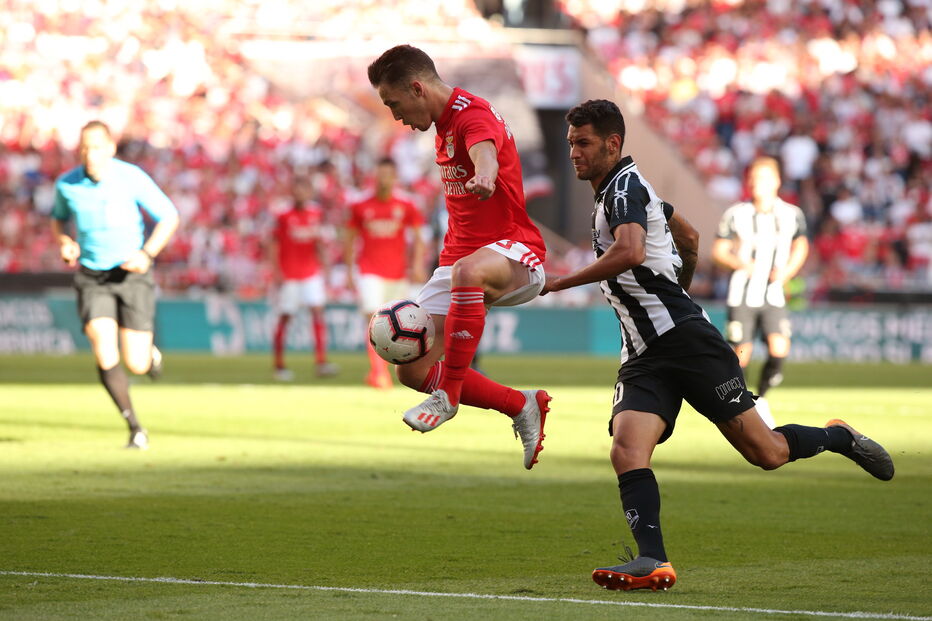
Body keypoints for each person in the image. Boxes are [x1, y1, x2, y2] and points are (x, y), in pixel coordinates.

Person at [541, 100, 893, 591]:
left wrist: (560, 282)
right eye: (570, 143)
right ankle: (653, 560)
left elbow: (632, 250)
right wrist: (679, 277)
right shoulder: (624, 191)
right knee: (627, 448)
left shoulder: (623, 190)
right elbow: (688, 233)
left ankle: (838, 436)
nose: (573, 153)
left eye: (582, 143)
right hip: (645, 353)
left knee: (766, 452)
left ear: (612, 143)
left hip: (687, 343)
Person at [367, 44, 550, 470]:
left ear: (417, 88)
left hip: (514, 251)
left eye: (394, 104)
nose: (396, 116)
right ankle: (522, 405)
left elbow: (483, 148)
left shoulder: (472, 115)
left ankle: (449, 394)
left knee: (468, 270)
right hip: (459, 261)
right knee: (410, 369)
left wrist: (485, 174)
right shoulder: (443, 123)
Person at [51, 120, 179, 450]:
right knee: (101, 343)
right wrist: (65, 242)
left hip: (131, 273)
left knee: (135, 362)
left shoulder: (131, 177)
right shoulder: (68, 184)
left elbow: (169, 215)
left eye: (96, 147)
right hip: (93, 276)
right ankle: (135, 427)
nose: (90, 154)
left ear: (110, 148)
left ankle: (149, 357)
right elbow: (58, 218)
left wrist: (147, 254)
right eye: (84, 148)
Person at [712, 156, 809, 425]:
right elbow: (718, 251)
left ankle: (762, 398)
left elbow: (801, 246)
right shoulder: (736, 214)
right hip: (742, 293)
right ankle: (742, 406)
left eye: (763, 177)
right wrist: (740, 263)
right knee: (740, 354)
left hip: (773, 294)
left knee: (780, 348)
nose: (757, 183)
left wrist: (788, 271)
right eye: (753, 178)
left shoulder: (791, 214)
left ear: (776, 181)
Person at [344, 157, 427, 390]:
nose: (384, 179)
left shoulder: (406, 204)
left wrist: (418, 265)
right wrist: (350, 272)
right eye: (380, 174)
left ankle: (386, 370)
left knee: (396, 326)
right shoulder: (359, 204)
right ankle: (379, 372)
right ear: (374, 176)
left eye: (388, 175)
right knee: (373, 320)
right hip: (368, 271)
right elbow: (349, 240)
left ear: (395, 177)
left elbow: (419, 238)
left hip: (397, 274)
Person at [269, 176, 339, 381]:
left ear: (309, 192)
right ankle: (279, 365)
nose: (300, 193)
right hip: (289, 274)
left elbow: (317, 242)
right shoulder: (283, 215)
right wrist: (276, 271)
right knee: (286, 316)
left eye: (303, 189)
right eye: (296, 189)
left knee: (317, 311)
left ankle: (321, 362)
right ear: (292, 192)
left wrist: (325, 264)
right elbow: (273, 244)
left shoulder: (315, 213)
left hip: (311, 272)